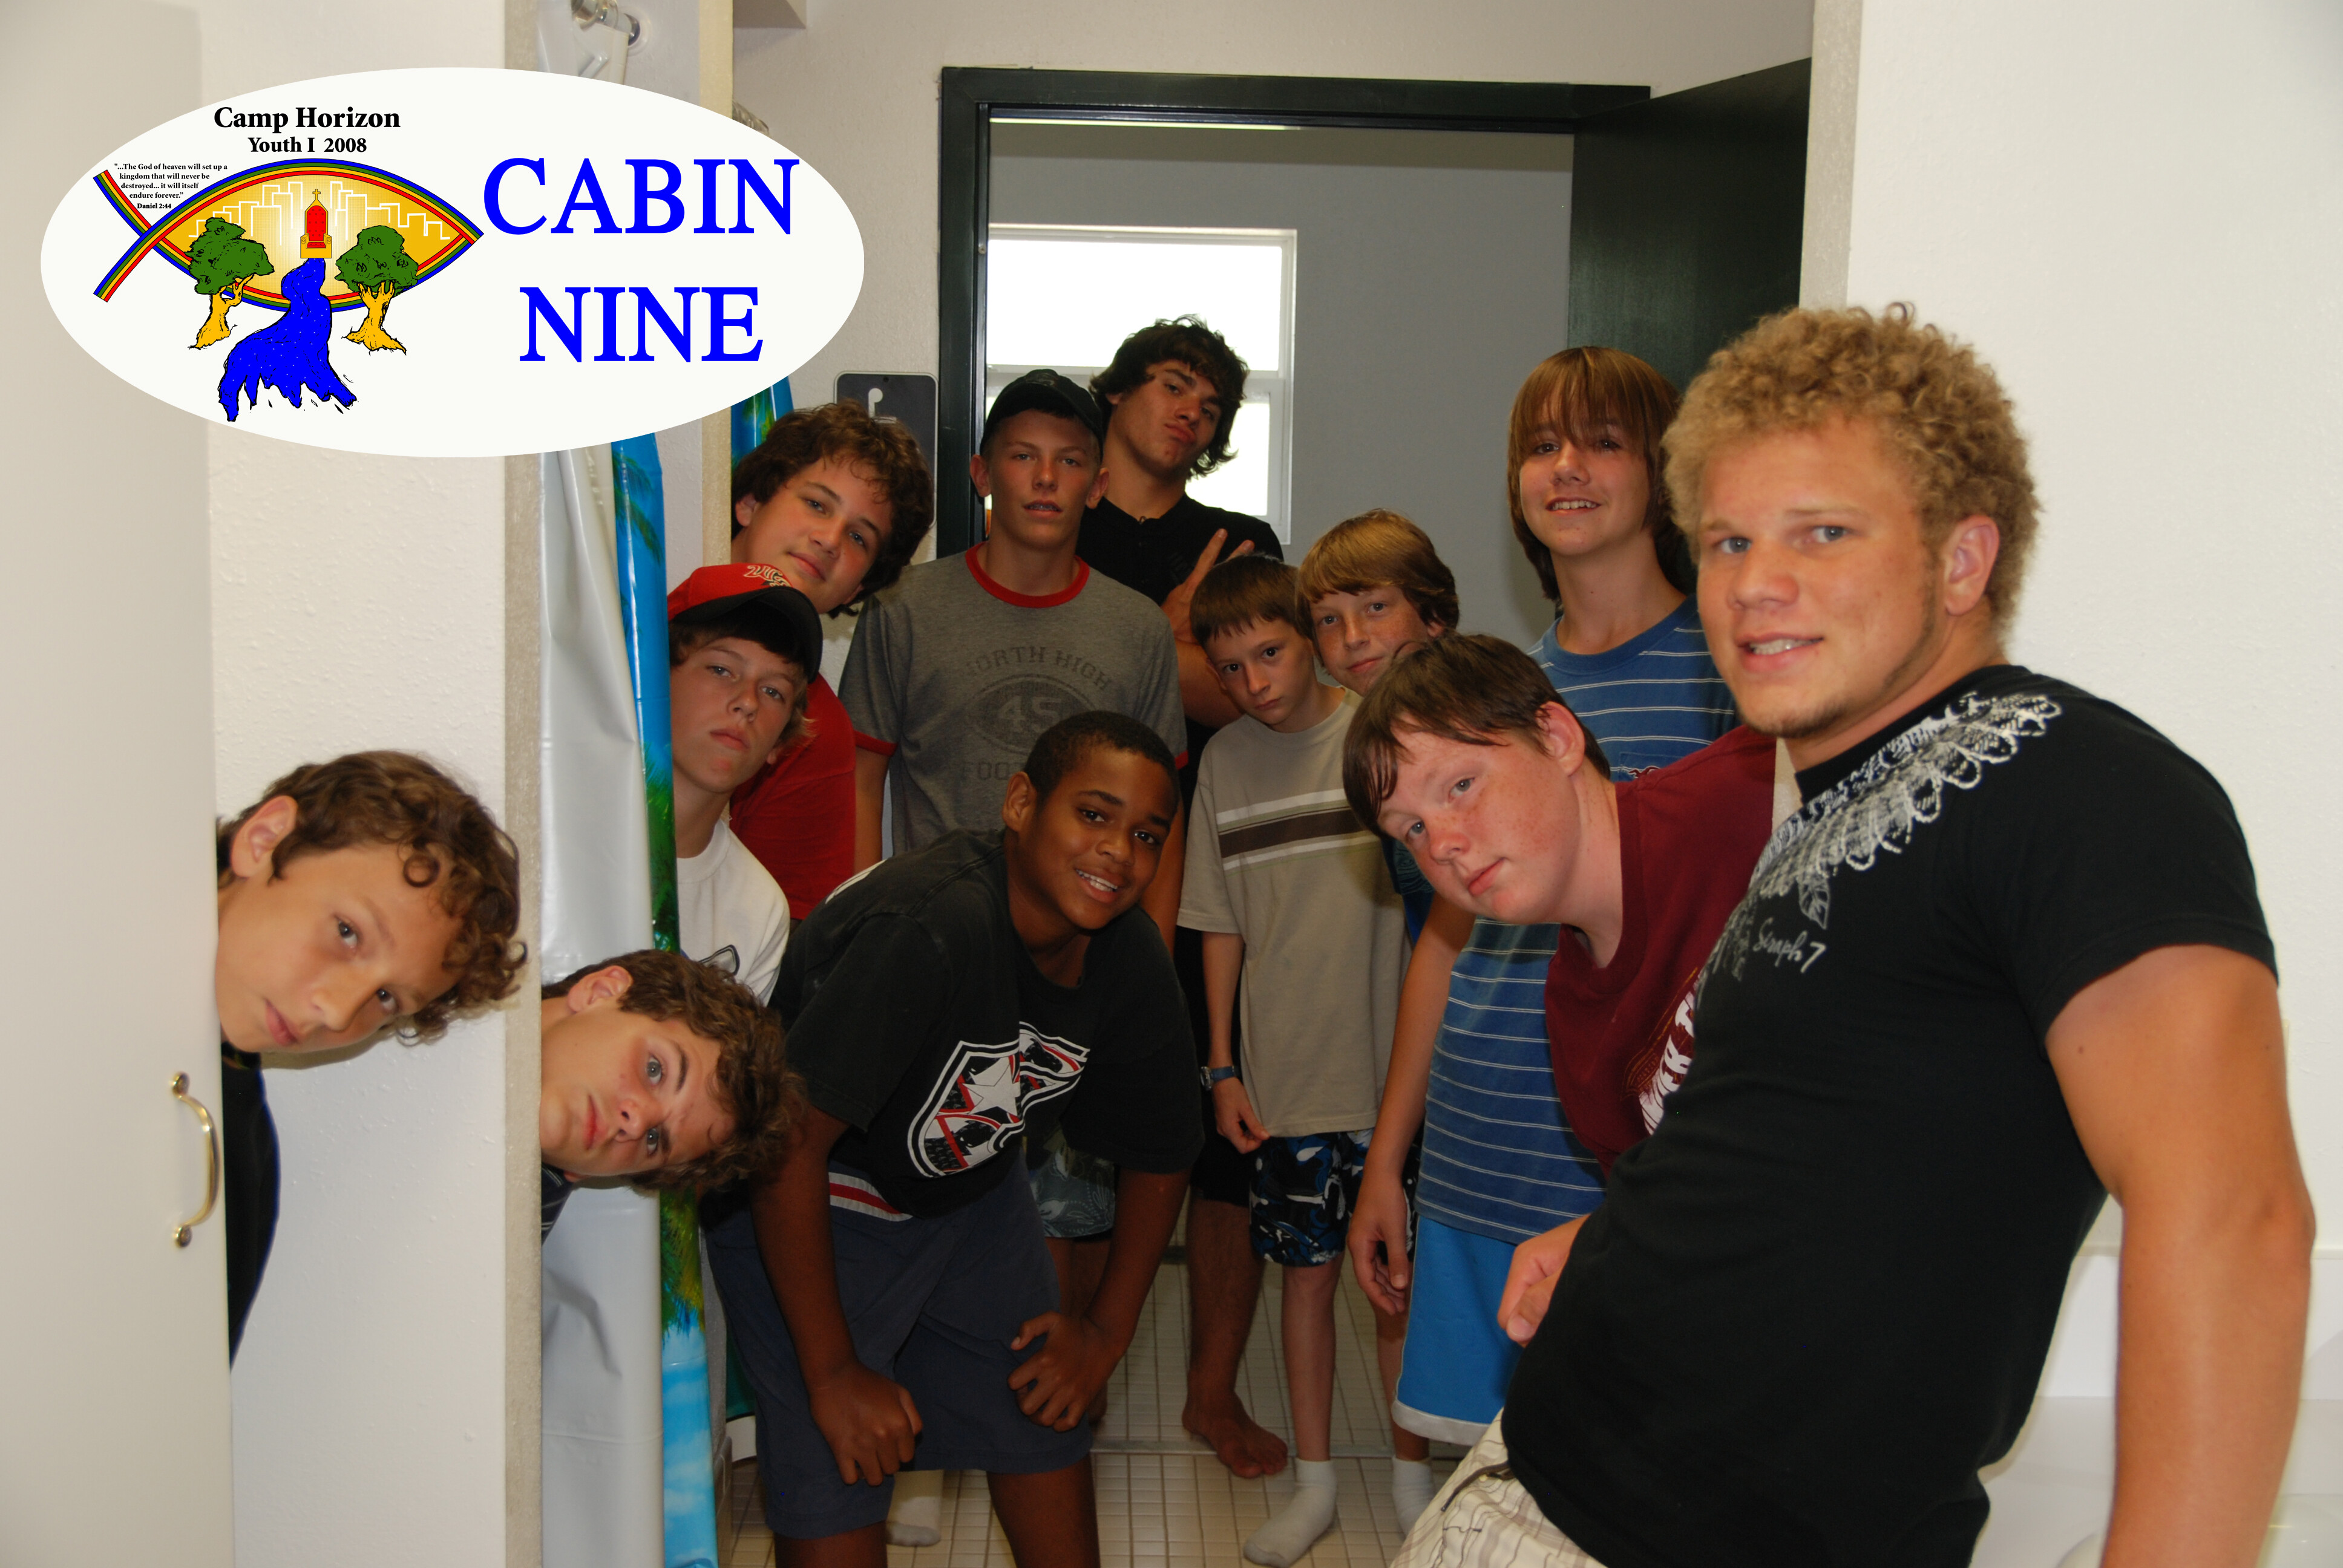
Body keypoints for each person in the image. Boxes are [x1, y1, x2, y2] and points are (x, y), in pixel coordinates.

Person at [1394, 305, 2311, 1568]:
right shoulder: (1813, 810)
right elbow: (1817, 1141)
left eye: (1822, 531)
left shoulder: (2077, 781)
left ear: (1961, 560)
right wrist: (1615, 1233)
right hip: (1548, 1467)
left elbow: (2233, 1219)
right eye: (1727, 540)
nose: (1753, 583)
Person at [1345, 352, 1742, 1454]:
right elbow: (1442, 947)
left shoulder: (1734, 678)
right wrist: (1390, 1160)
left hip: (1637, 1153)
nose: (1565, 468)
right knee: (1485, 1470)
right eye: (1540, 446)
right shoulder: (1495, 689)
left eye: (1602, 441)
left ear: (1665, 471)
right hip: (1485, 1139)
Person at [702, 713, 1202, 1568]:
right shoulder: (930, 925)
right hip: (812, 1195)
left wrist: (1103, 1333)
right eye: (1093, 814)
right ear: (1021, 805)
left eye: (1146, 835)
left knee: (1044, 1411)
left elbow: (1164, 1150)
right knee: (839, 1458)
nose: (1118, 851)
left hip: (968, 1189)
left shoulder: (1126, 956)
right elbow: (786, 1148)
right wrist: (833, 1373)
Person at [1078, 318, 1288, 1479]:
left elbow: (1251, 693)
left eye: (1209, 404)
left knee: (1221, 1141)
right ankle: (1064, 1374)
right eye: (1171, 385)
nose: (1189, 412)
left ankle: (1213, 1392)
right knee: (1063, 1136)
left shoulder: (1238, 542)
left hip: (1213, 879)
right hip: (1075, 871)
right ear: (1117, 392)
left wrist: (1145, 649)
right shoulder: (1054, 518)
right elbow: (1054, 689)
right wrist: (1166, 645)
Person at [1176, 555, 1411, 1563]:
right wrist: (1222, 1067)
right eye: (1229, 669)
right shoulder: (1224, 763)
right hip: (1286, 1084)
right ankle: (1315, 1483)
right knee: (1305, 1283)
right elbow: (1216, 923)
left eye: (1269, 653)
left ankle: (1411, 1480)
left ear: (1309, 636)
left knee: (1399, 1290)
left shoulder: (1377, 734)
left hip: (1395, 1082)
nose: (1253, 683)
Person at [1341, 635, 1780, 1169]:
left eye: (1460, 785)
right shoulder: (1576, 1025)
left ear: (1555, 738)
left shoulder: (1756, 792)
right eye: (1412, 828)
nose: (1440, 845)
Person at [214, 751, 525, 1356]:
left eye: (386, 999)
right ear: (265, 839)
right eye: (348, 932)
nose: (336, 1013)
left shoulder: (238, 1163)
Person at [727, 402, 934, 920]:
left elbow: (791, 930)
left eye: (859, 537)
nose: (829, 540)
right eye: (818, 504)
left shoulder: (815, 729)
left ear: (858, 587)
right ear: (751, 502)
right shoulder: (638, 623)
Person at [538, 949, 799, 1237]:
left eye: (654, 1140)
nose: (636, 1124)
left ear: (588, 1172)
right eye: (655, 1070)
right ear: (601, 992)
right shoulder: (496, 946)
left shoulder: (513, 1234)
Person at [666, 563, 828, 1004]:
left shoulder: (759, 907)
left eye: (774, 691)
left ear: (781, 743)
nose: (747, 703)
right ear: (652, 680)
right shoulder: (559, 841)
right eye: (722, 670)